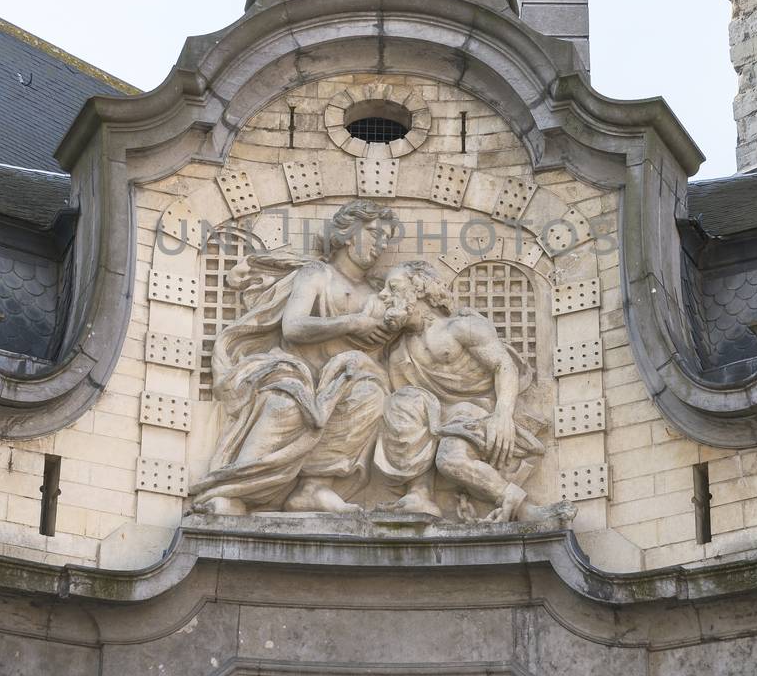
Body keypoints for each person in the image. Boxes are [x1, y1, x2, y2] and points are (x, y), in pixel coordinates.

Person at [190, 201, 401, 515]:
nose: (380, 244)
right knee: (285, 404)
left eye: (386, 238)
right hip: (295, 372)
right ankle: (232, 490)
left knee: (371, 395)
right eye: (374, 233)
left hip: (341, 383)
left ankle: (313, 489)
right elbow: (293, 326)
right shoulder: (317, 274)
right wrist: (353, 323)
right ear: (347, 235)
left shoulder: (375, 294)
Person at [371, 261, 553, 522]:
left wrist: (502, 415)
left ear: (419, 289)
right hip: (438, 421)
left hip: (476, 412)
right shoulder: (398, 352)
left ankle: (520, 506)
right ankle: (420, 494)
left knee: (450, 460)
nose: (384, 295)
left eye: (393, 287)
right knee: (404, 400)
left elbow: (504, 366)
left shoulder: (459, 327)